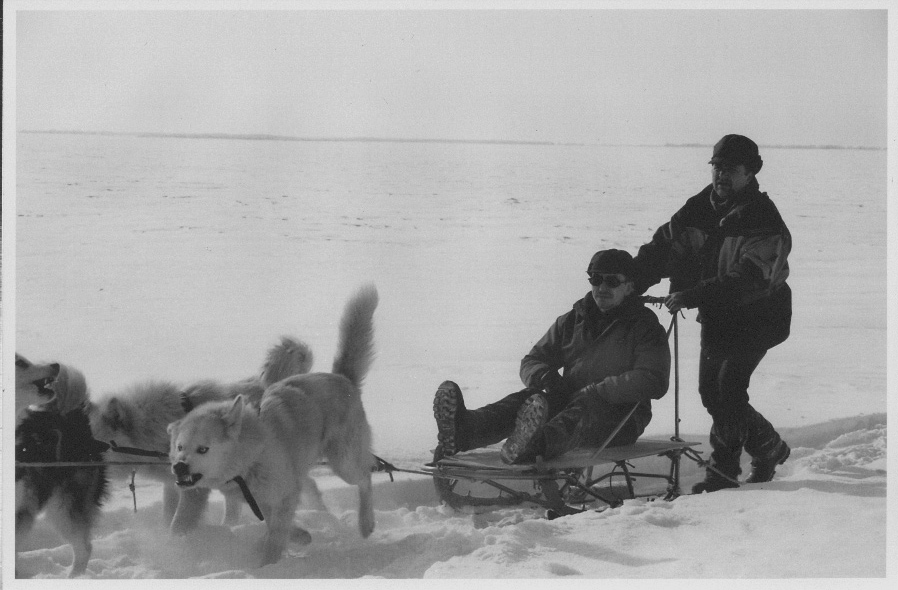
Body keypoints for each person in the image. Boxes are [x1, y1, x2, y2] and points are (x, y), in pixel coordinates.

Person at [633, 134, 792, 493]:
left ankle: (723, 473)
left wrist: (692, 294)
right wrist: (629, 281)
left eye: (731, 169)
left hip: (759, 316)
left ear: (750, 173)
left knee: (729, 388)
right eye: (717, 167)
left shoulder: (764, 220)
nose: (721, 175)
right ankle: (768, 447)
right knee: (710, 392)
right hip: (719, 314)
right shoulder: (699, 208)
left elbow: (749, 278)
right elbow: (664, 248)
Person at [433, 249, 670, 465]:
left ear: (629, 286)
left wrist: (598, 391)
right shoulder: (572, 320)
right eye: (596, 279)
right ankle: (465, 430)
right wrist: (545, 377)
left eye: (612, 281)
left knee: (582, 412)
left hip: (622, 416)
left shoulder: (644, 326)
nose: (602, 287)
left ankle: (534, 445)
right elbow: (532, 360)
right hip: (571, 400)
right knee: (530, 398)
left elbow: (653, 379)